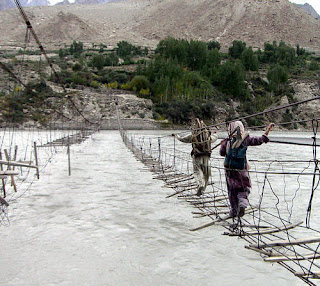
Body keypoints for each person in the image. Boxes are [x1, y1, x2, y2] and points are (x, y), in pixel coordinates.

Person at [219, 121, 274, 217]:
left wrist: (223, 144)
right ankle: (243, 204)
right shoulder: (245, 139)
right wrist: (268, 130)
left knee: (232, 192)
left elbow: (222, 153)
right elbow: (260, 140)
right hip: (242, 170)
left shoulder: (227, 141)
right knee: (244, 189)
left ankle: (234, 211)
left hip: (229, 172)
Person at [173, 118, 218, 196]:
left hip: (197, 156)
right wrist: (215, 134)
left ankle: (200, 185)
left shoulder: (192, 136)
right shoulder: (207, 136)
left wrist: (176, 136)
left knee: (197, 172)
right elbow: (214, 138)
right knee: (206, 174)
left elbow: (182, 139)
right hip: (206, 157)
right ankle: (203, 190)